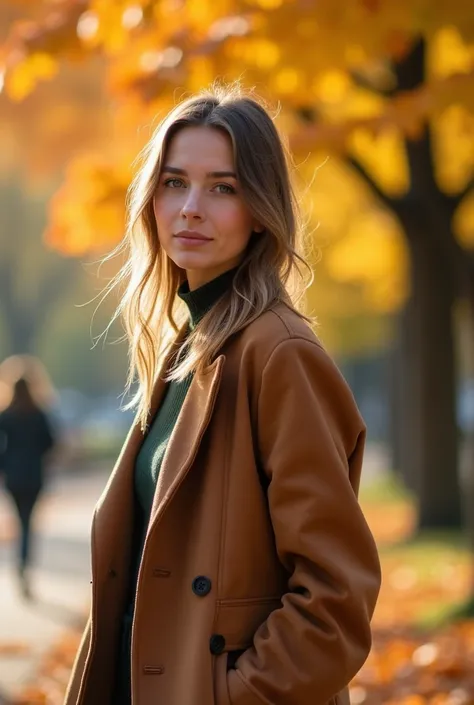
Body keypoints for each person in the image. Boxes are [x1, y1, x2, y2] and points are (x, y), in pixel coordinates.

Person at [64, 83, 381, 705]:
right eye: (174, 182)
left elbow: (334, 598)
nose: (190, 208)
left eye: (223, 188)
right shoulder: (188, 346)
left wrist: (230, 694)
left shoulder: (279, 354)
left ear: (261, 209)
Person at [0, 370, 56, 599]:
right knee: (27, 523)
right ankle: (24, 564)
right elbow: (50, 443)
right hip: (34, 476)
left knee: (19, 520)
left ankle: (20, 564)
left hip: (13, 477)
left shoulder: (6, 415)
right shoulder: (38, 414)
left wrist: (5, 464)